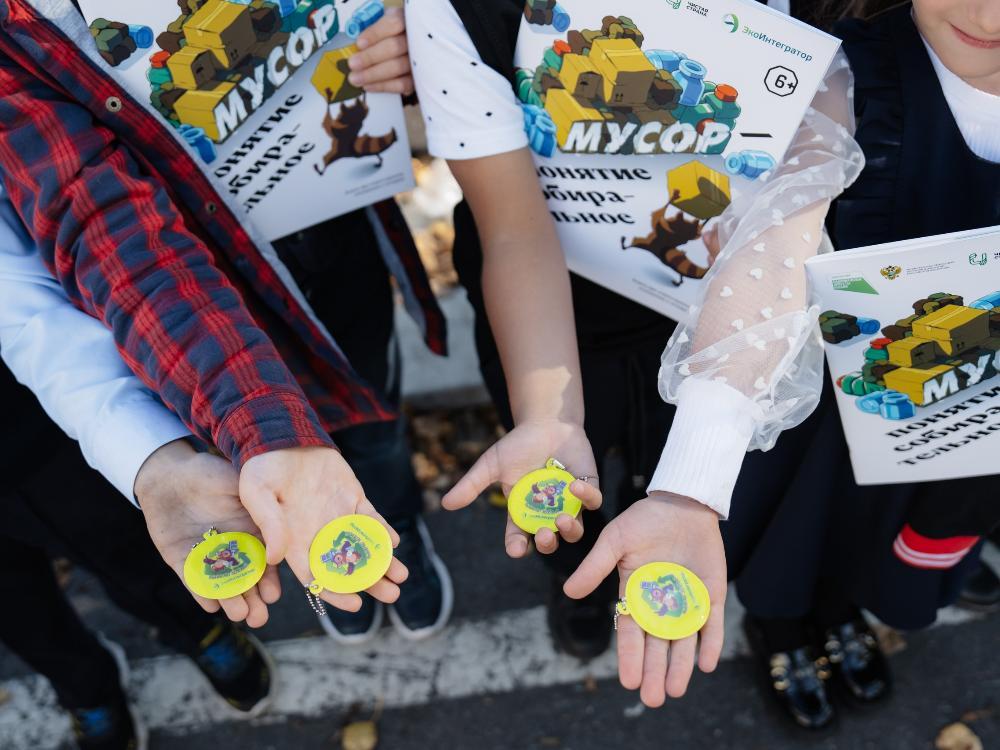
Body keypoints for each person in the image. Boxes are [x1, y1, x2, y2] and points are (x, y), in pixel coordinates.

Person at [406, 0, 853, 706]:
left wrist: (688, 485)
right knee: (563, 485)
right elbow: (515, 231)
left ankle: (628, 529)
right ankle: (578, 580)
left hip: (722, 320)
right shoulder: (461, 11)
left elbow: (790, 213)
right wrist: (549, 417)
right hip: (544, 319)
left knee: (657, 460)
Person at [0, 1, 439, 643]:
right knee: (302, 440)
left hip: (327, 212)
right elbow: (96, 216)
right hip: (200, 290)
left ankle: (398, 526)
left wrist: (413, 32)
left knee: (376, 412)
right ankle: (340, 529)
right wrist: (233, 437)